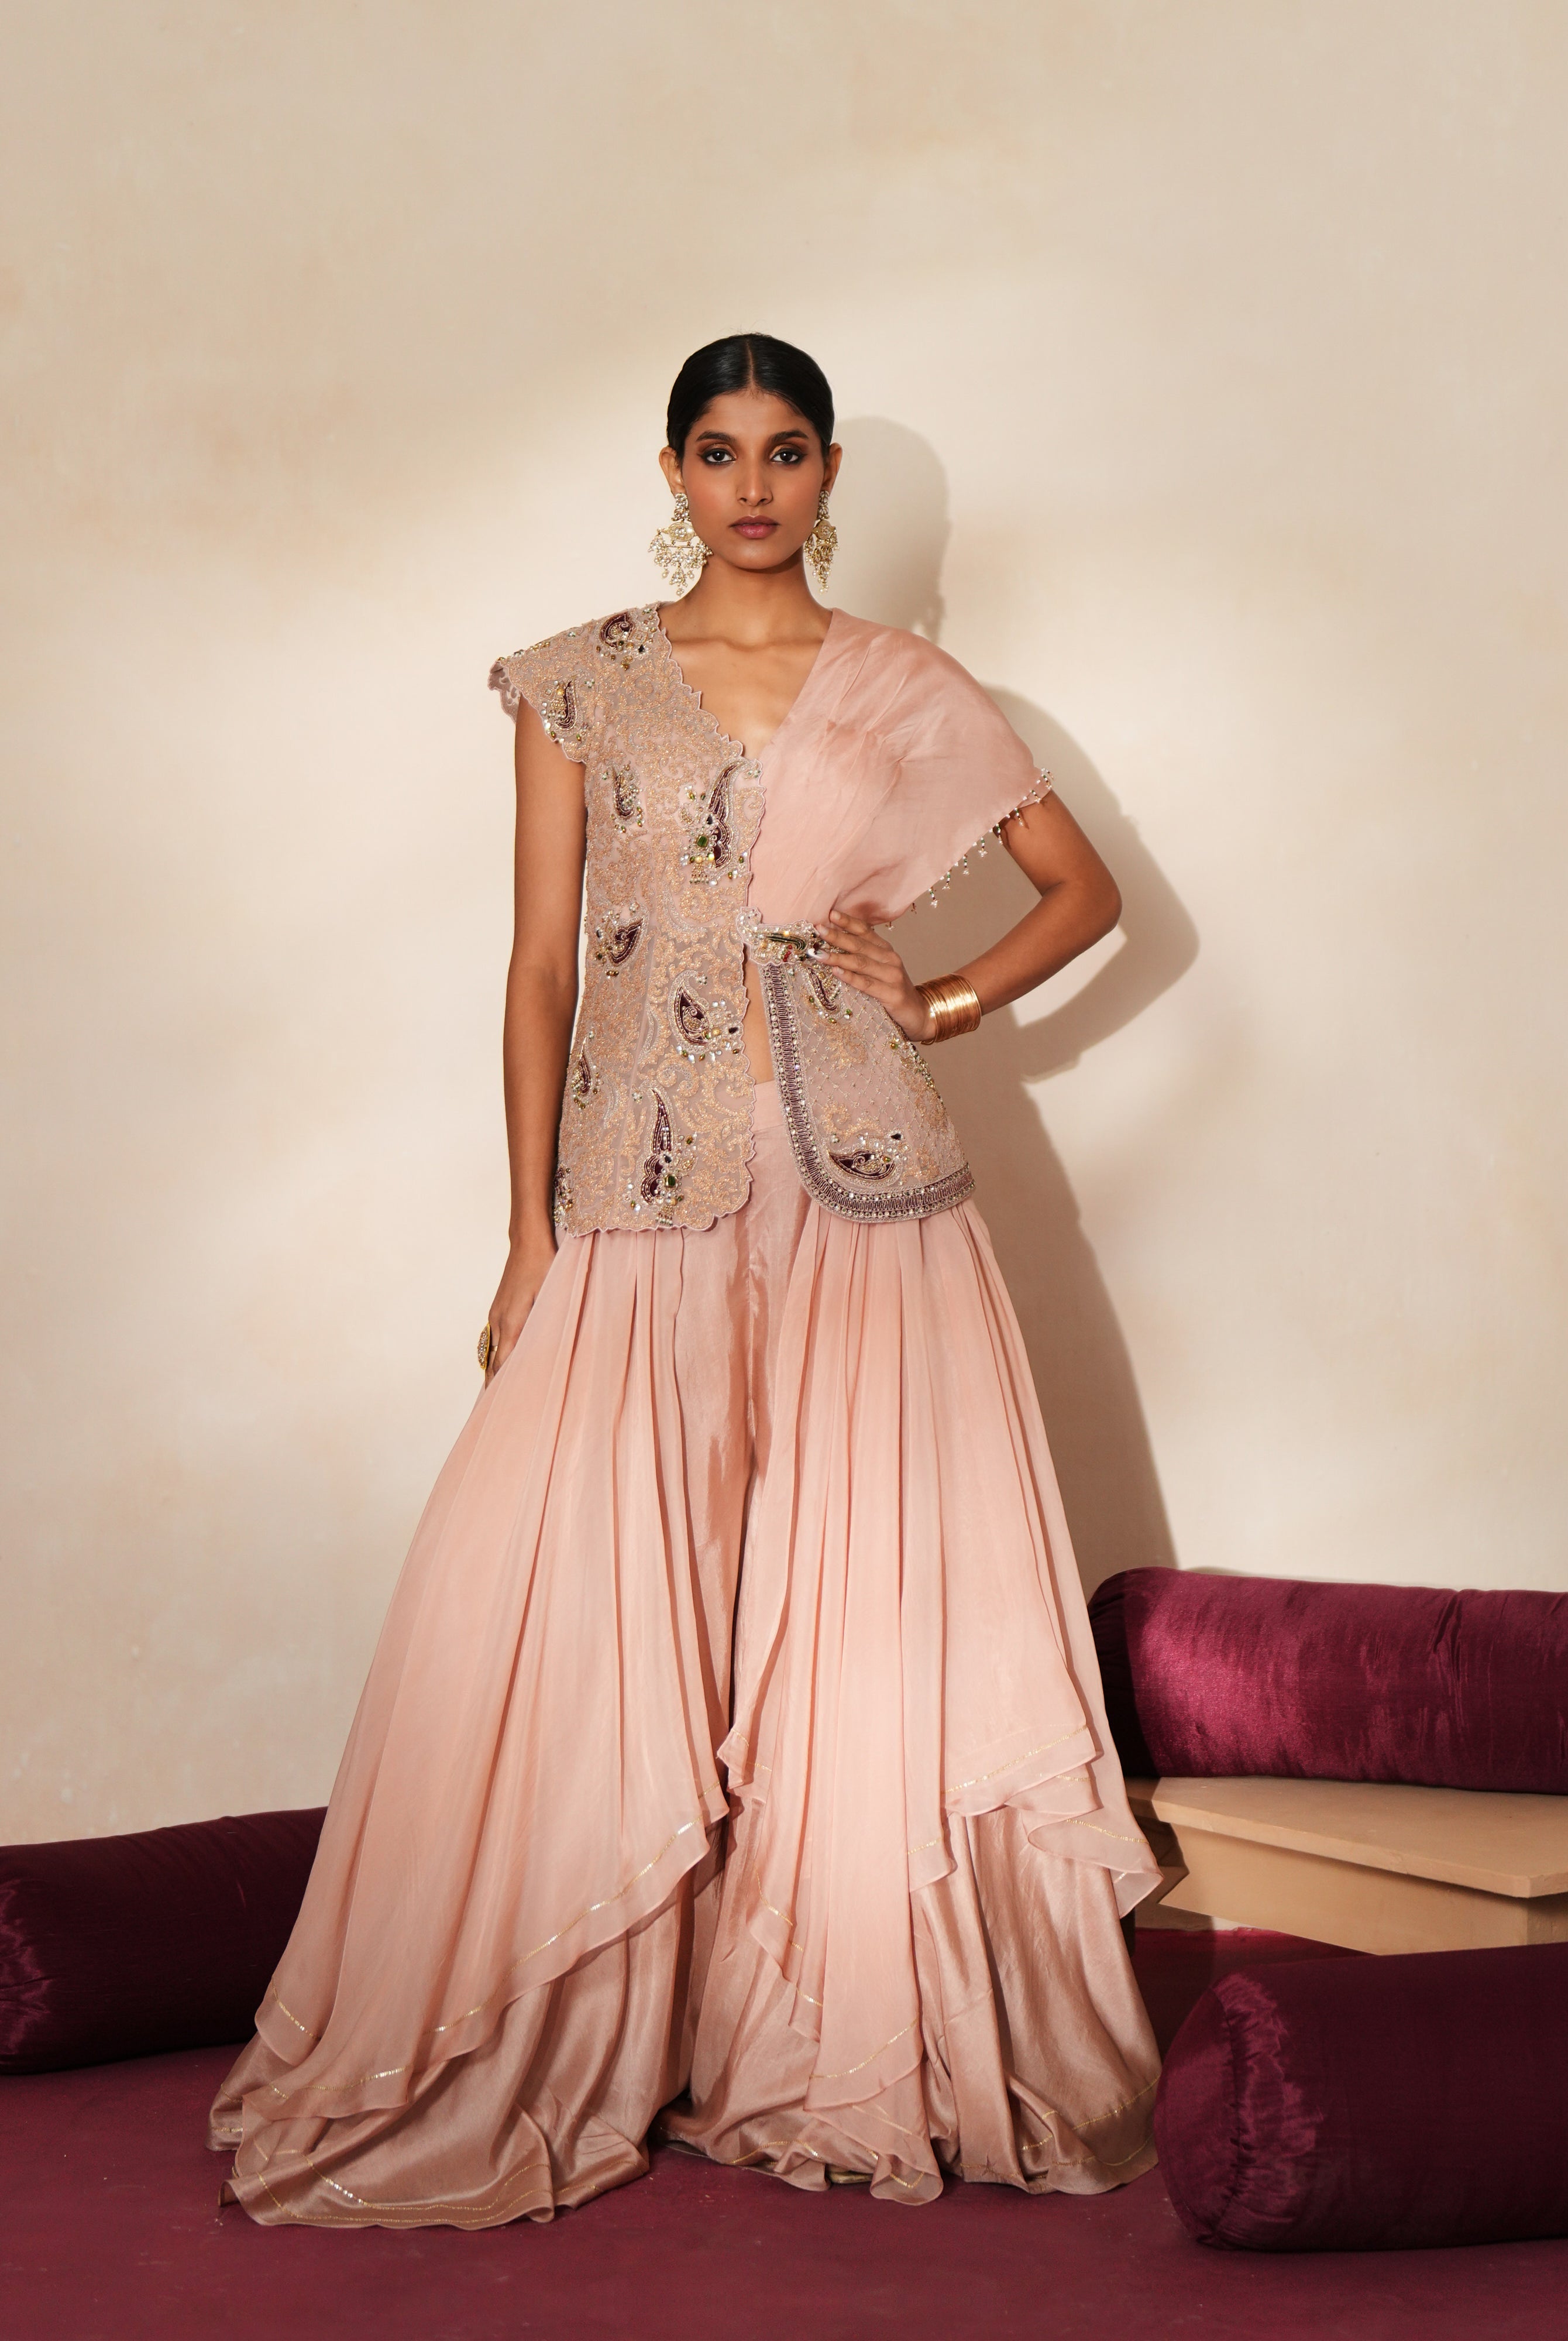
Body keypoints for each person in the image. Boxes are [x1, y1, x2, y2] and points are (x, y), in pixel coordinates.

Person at [208, 333, 1162, 2226]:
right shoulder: (579, 682)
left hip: (868, 1187)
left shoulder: (903, 688)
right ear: (672, 470)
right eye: (719, 453)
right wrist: (527, 1235)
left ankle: (845, 2027)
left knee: (859, 1602)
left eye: (787, 452)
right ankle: (594, 2021)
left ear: (828, 478)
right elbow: (539, 969)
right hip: (641, 1187)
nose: (753, 487)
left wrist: (946, 999)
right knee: (595, 1585)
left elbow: (1088, 891)